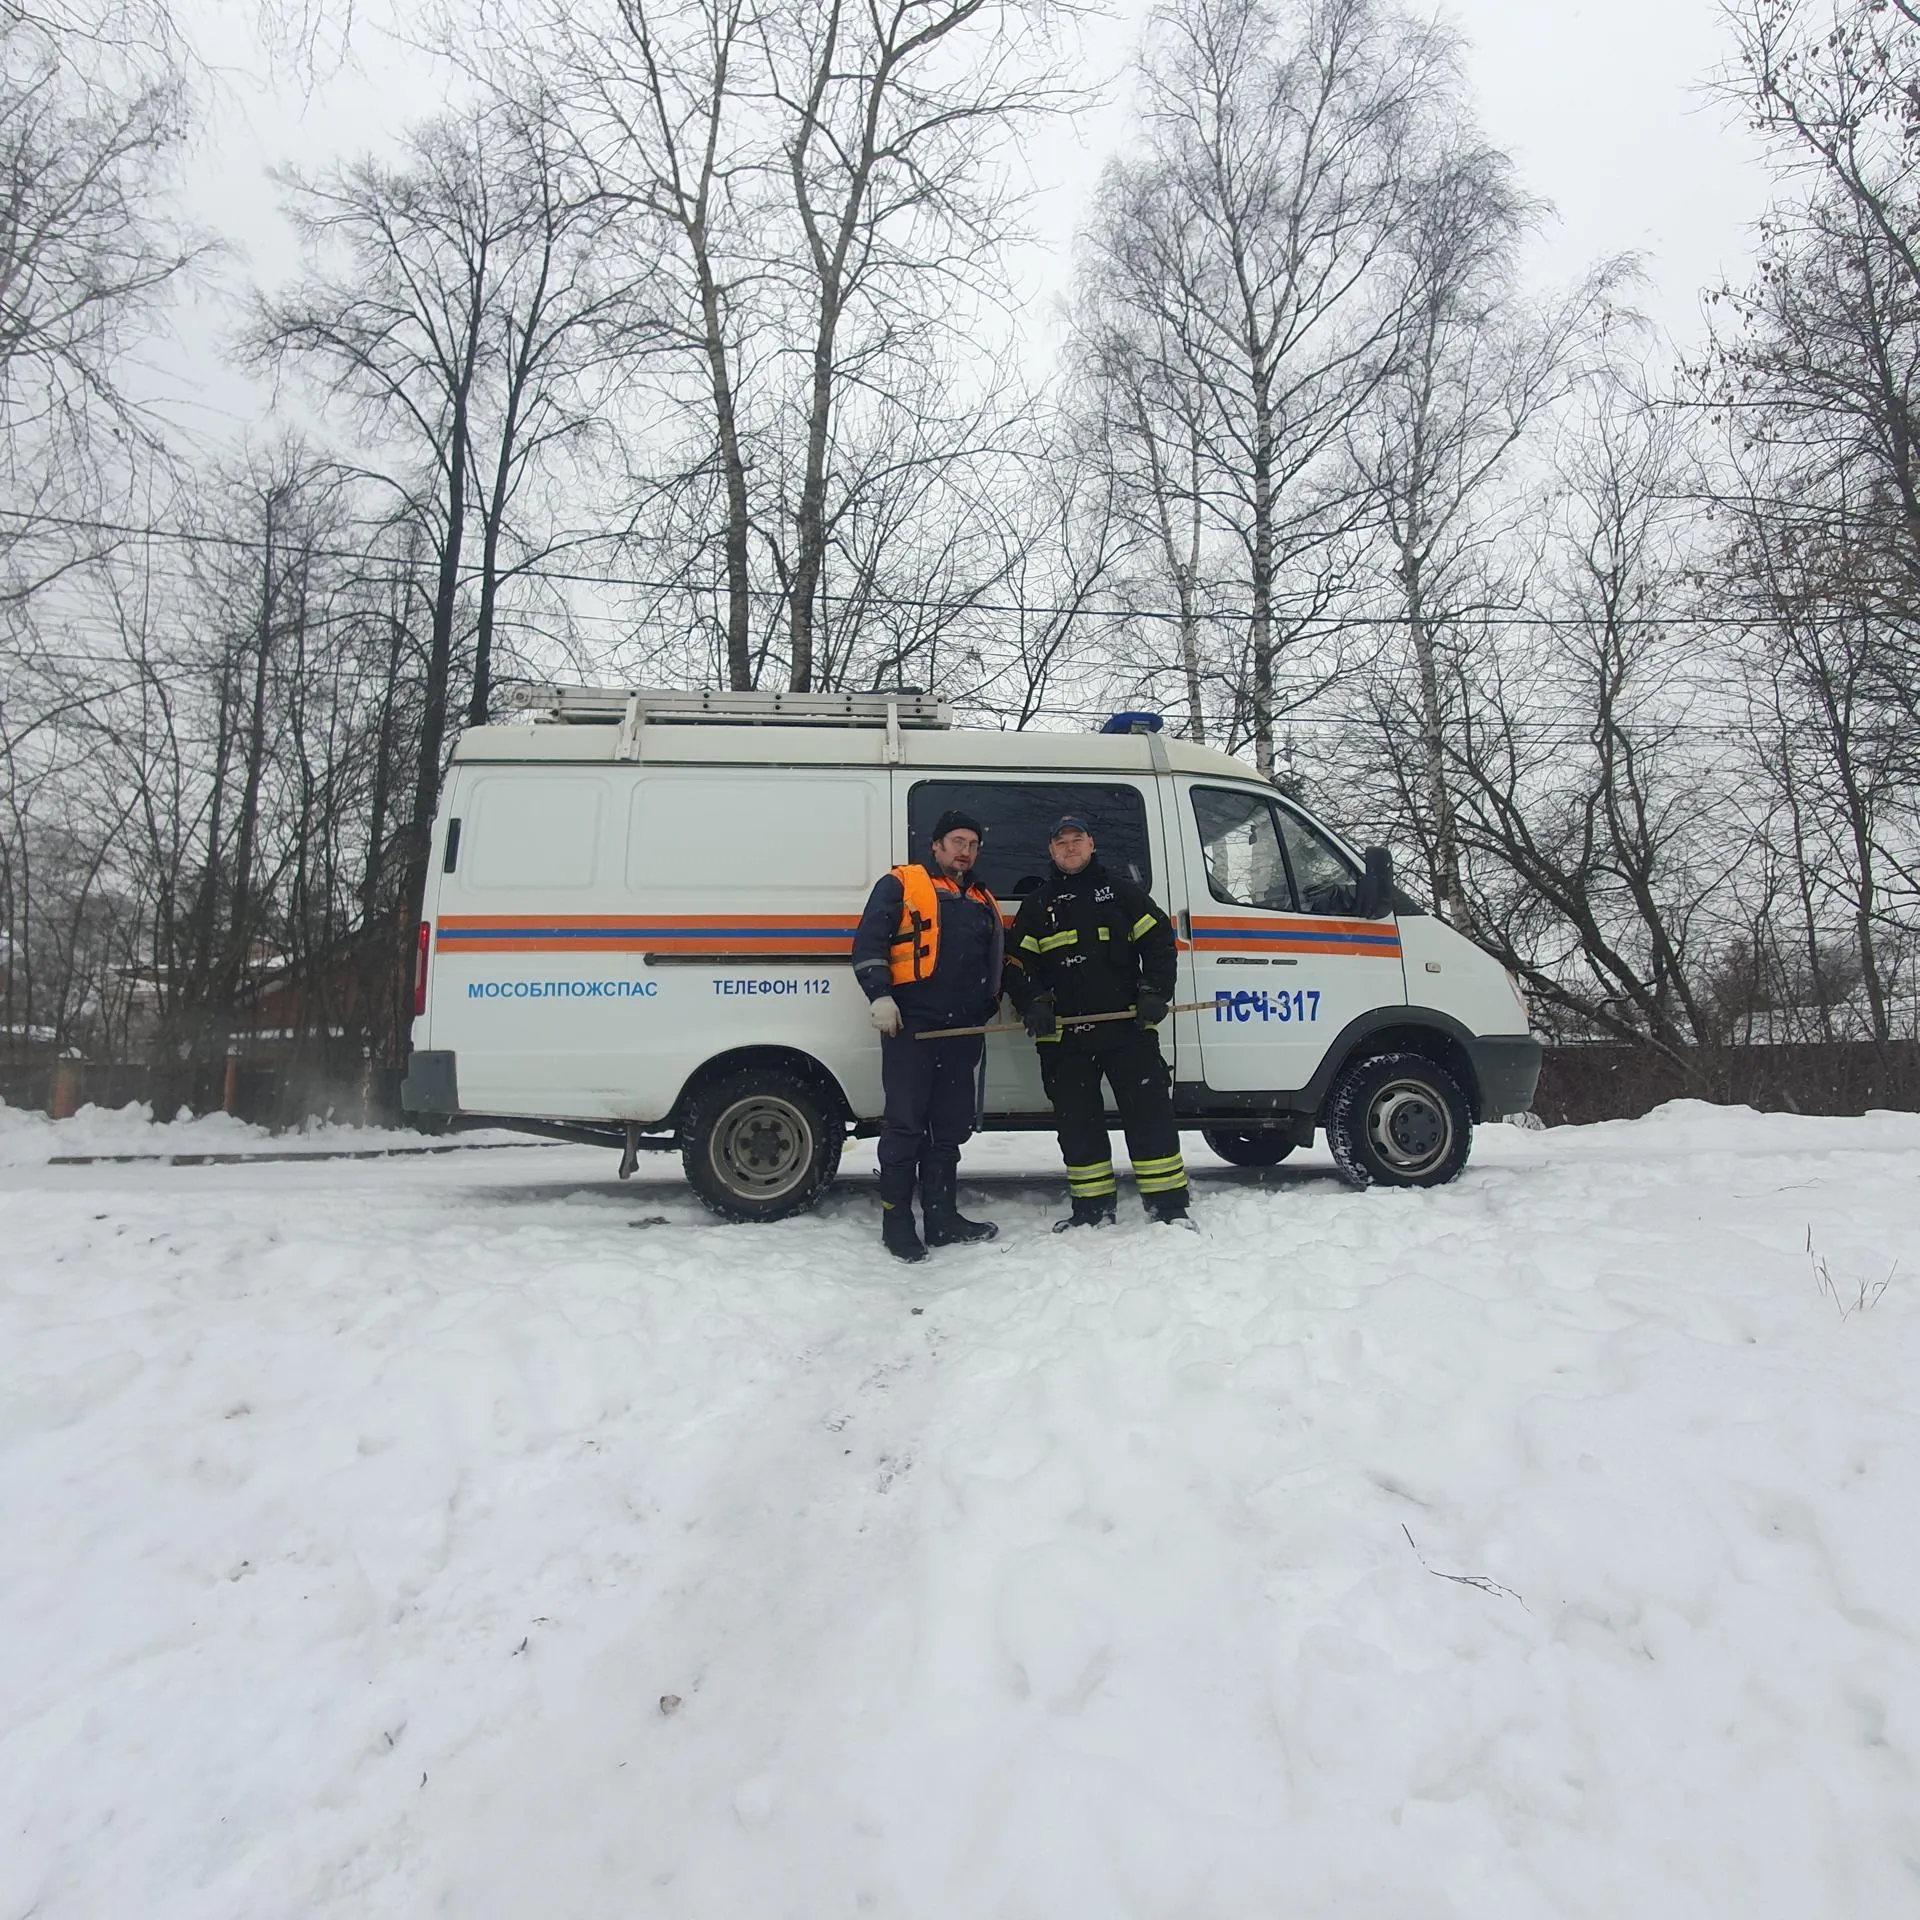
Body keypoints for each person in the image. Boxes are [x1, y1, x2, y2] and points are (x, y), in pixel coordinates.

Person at [1004, 814, 1191, 1228]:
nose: (1069, 848)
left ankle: (1169, 1209)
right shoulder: (1037, 906)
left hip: (1127, 1029)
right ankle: (1091, 1211)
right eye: (1061, 842)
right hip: (1064, 1037)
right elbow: (1017, 964)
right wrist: (1033, 1001)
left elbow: (1160, 942)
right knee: (1077, 1125)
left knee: (1149, 1116)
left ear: (1091, 845)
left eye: (1077, 840)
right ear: (1051, 851)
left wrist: (1155, 992)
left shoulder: (1122, 894)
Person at [851, 810, 1004, 1262]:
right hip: (911, 1026)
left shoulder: (980, 897)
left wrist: (989, 1005)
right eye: (957, 841)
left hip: (963, 1029)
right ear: (936, 846)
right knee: (905, 1125)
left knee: (948, 1128)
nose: (965, 851)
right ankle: (896, 1222)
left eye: (973, 844)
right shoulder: (901, 883)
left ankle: (942, 1219)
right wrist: (879, 995)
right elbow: (868, 943)